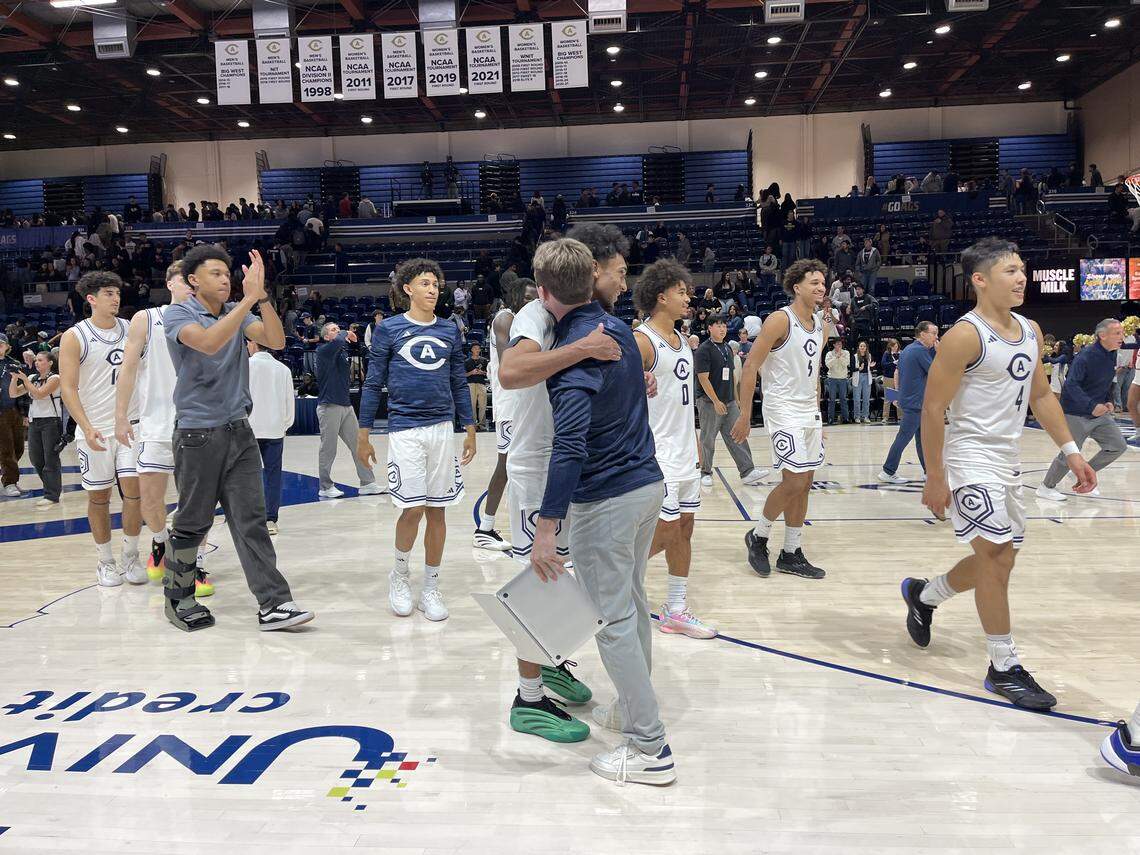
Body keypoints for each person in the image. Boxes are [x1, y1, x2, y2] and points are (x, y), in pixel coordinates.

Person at [905, 237, 1095, 710]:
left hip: (1008, 460)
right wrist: (935, 475)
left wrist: (1071, 451)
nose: (1021, 277)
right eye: (1011, 270)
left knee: (1001, 560)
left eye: (1023, 269)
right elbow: (932, 407)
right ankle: (1003, 665)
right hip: (970, 458)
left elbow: (1043, 397)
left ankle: (925, 596)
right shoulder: (964, 336)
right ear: (980, 279)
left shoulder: (1030, 329)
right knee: (995, 558)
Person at [527, 238, 674, 787]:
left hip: (608, 498)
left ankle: (650, 748)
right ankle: (633, 714)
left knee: (613, 622)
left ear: (543, 293)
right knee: (631, 607)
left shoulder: (576, 346)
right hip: (645, 487)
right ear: (592, 277)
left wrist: (547, 525)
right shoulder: (616, 331)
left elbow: (569, 445)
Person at [496, 235, 626, 745]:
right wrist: (583, 350)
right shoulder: (534, 315)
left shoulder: (575, 315)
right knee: (540, 580)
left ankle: (550, 664)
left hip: (562, 460)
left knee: (561, 577)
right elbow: (510, 373)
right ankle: (527, 700)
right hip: (534, 465)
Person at [163, 245, 314, 632]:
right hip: (197, 433)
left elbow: (276, 341)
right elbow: (209, 343)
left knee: (251, 522)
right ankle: (179, 599)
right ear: (193, 280)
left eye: (227, 272)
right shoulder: (179, 313)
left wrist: (261, 298)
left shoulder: (236, 311)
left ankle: (274, 604)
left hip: (239, 431)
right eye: (215, 273)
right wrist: (247, 299)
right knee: (193, 523)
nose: (225, 278)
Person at [357, 258, 477, 623]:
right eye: (425, 283)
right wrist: (363, 434)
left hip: (442, 428)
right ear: (407, 288)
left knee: (438, 511)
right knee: (412, 509)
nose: (432, 289)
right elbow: (373, 381)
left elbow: (459, 381)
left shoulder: (448, 331)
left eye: (436, 285)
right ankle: (399, 576)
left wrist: (470, 428)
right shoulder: (389, 329)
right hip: (404, 428)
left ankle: (431, 586)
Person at [113, 262, 214, 594]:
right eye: (185, 280)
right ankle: (159, 541)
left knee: (197, 501)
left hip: (198, 421)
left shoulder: (209, 319)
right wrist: (120, 415)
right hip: (155, 423)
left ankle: (194, 563)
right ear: (170, 284)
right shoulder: (147, 318)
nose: (191, 286)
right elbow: (127, 369)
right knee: (151, 499)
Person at [633, 259, 716, 639]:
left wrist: (696, 440)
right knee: (665, 531)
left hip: (684, 450)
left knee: (685, 529)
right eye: (681, 291)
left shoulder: (683, 341)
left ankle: (676, 609)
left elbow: (682, 400)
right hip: (656, 454)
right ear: (661, 296)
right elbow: (618, 395)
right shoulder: (642, 340)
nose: (689, 297)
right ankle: (606, 576)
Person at [733, 259, 828, 580]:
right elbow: (750, 368)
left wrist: (819, 417)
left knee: (806, 484)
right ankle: (758, 536)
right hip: (782, 409)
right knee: (794, 481)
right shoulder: (779, 320)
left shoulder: (821, 325)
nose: (821, 287)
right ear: (797, 286)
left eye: (823, 282)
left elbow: (814, 376)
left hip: (808, 413)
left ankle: (791, 552)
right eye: (814, 282)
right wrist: (745, 414)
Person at [58, 272, 146, 587]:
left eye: (117, 292)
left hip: (131, 426)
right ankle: (105, 561)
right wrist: (85, 426)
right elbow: (68, 389)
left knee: (135, 494)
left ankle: (132, 555)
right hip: (94, 431)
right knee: (99, 498)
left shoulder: (133, 329)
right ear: (91, 299)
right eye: (108, 293)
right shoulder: (75, 336)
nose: (116, 298)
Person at [472, 277, 537, 553]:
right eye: (527, 297)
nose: (532, 302)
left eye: (536, 297)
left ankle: (487, 528)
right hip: (511, 405)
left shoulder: (523, 319)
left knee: (515, 466)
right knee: (507, 466)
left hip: (524, 402)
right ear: (513, 296)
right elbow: (510, 360)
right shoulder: (505, 319)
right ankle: (485, 529)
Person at [1035, 318, 1128, 502]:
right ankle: (1046, 487)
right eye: (1117, 333)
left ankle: (1083, 472)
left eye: (1122, 333)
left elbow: (1106, 383)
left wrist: (1108, 401)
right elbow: (1071, 385)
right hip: (1076, 413)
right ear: (1102, 335)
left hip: (1100, 415)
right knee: (1069, 453)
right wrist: (1091, 406)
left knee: (1117, 446)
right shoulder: (1086, 356)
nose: (1122, 337)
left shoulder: (1111, 354)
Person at [694, 315, 766, 489]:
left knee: (737, 435)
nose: (722, 329)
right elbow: (703, 378)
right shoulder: (704, 350)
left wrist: (736, 399)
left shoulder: (727, 348)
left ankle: (747, 471)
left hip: (729, 401)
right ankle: (705, 472)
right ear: (710, 328)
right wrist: (716, 400)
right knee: (708, 438)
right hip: (709, 402)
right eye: (718, 325)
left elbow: (732, 376)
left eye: (724, 326)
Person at [315, 322, 384, 500]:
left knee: (358, 444)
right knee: (328, 449)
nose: (337, 332)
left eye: (338, 329)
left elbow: (345, 345)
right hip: (329, 406)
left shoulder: (343, 353)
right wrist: (347, 332)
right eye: (333, 330)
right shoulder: (323, 351)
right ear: (326, 337)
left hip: (346, 405)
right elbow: (338, 341)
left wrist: (352, 340)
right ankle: (325, 486)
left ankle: (367, 483)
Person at [878, 322, 938, 484]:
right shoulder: (919, 351)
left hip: (912, 400)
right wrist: (937, 352)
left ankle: (928, 471)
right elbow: (936, 372)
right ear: (922, 334)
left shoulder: (909, 350)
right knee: (904, 437)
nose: (936, 337)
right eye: (933, 333)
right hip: (915, 402)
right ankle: (888, 471)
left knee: (921, 438)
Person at [246, 339, 294, 535]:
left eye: (249, 342)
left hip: (248, 428)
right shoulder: (283, 369)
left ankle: (249, 516)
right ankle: (270, 519)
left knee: (247, 474)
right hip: (274, 429)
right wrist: (284, 425)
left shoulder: (245, 366)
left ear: (255, 344)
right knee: (273, 475)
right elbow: (289, 402)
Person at [8, 350, 62, 506]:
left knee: (50, 459)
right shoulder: (33, 378)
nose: (36, 362)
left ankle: (51, 495)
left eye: (40, 360)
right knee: (35, 458)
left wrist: (25, 379)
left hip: (51, 421)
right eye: (36, 360)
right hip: (34, 422)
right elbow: (13, 394)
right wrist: (14, 379)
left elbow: (39, 394)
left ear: (50, 362)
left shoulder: (55, 378)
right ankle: (52, 487)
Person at [0, 334, 24, 496]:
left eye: (1, 344)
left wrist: (24, 413)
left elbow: (23, 387)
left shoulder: (14, 363)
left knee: (18, 447)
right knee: (6, 448)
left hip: (14, 410)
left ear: (7, 346)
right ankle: (9, 481)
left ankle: (9, 476)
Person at [824, 338, 851, 425]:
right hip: (832, 379)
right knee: (832, 399)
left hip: (843, 378)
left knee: (843, 399)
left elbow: (846, 363)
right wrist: (836, 357)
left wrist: (840, 357)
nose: (840, 345)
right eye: (838, 344)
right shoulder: (829, 354)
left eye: (840, 344)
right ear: (834, 345)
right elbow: (828, 365)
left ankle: (846, 418)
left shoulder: (846, 353)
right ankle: (831, 419)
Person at [465, 342, 489, 430]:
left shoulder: (484, 360)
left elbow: (488, 373)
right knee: (472, 404)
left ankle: (482, 424)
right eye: (475, 348)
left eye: (478, 348)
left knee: (483, 404)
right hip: (471, 383)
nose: (477, 350)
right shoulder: (467, 361)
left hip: (481, 383)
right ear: (471, 350)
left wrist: (482, 372)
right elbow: (463, 375)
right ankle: (473, 424)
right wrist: (472, 372)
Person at [851, 340, 875, 424]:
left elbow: (870, 368)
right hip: (858, 377)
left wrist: (871, 367)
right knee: (857, 399)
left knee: (866, 399)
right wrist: (859, 369)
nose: (862, 347)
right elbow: (851, 369)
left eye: (864, 346)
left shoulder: (869, 356)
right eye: (861, 346)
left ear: (866, 348)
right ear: (859, 347)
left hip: (867, 377)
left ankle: (865, 416)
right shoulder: (854, 356)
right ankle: (857, 417)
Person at [880, 338, 902, 423]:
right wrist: (893, 363)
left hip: (899, 377)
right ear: (890, 346)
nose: (895, 348)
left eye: (896, 346)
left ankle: (900, 416)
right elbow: (883, 364)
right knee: (888, 397)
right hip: (888, 377)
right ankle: (885, 417)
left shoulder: (901, 353)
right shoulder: (887, 354)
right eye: (893, 346)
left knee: (899, 397)